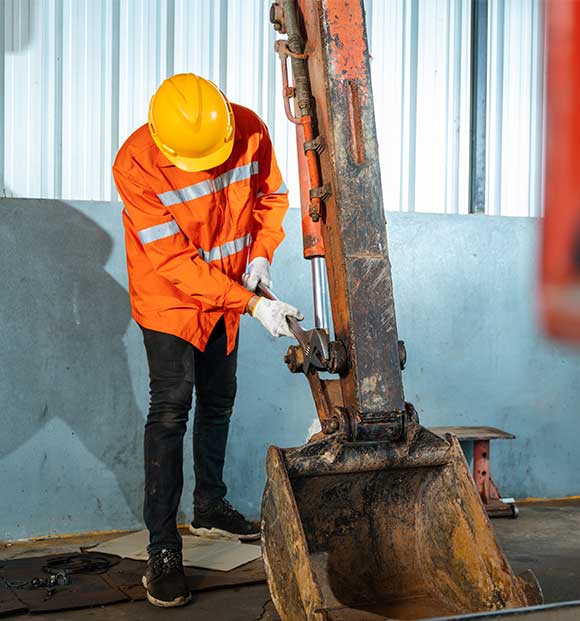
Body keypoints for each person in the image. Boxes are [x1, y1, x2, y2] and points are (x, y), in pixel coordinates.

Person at [112, 72, 302, 608]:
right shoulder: (137, 164)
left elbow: (273, 196)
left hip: (233, 289)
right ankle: (163, 548)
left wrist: (262, 253)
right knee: (171, 408)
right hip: (171, 300)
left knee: (219, 398)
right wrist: (253, 304)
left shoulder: (249, 130)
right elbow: (172, 261)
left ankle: (210, 505)